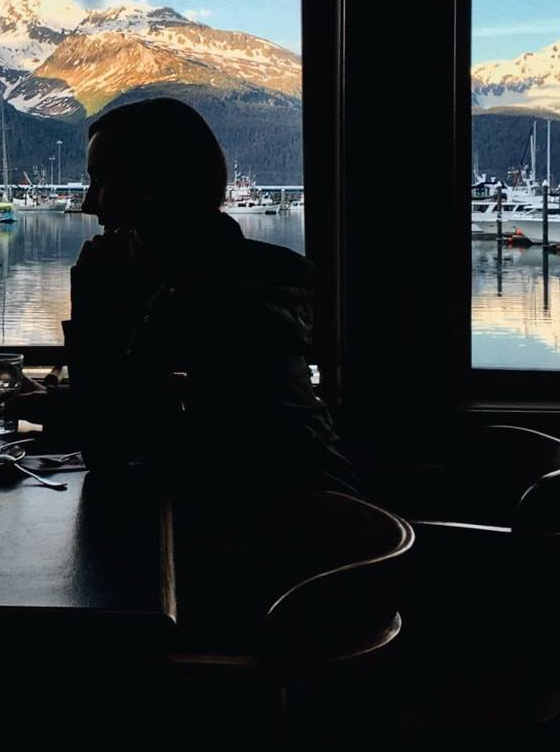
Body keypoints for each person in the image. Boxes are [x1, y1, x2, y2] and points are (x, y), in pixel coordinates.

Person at [50, 97, 357, 502]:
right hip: (306, 516)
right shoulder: (211, 273)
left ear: (151, 190)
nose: (89, 204)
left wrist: (91, 299)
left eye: (100, 181)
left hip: (296, 537)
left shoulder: (216, 298)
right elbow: (134, 408)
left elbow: (112, 444)